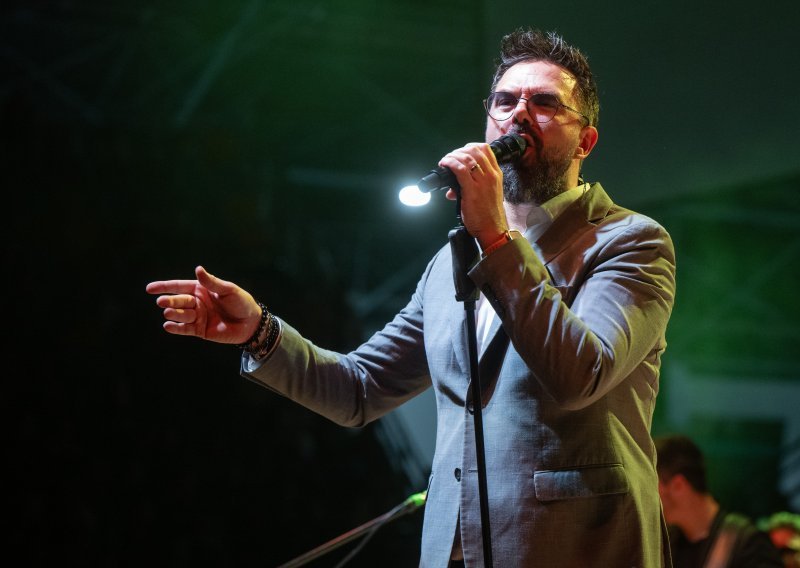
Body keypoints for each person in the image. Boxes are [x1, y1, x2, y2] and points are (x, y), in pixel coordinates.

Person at [147, 28, 677, 567]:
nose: (518, 114)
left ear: (585, 141)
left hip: (575, 548)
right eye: (504, 101)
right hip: (455, 550)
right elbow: (359, 389)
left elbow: (581, 375)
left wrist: (495, 238)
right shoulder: (453, 262)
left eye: (543, 103)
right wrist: (259, 330)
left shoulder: (630, 242)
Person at [654, 434, 784, 567]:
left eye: (651, 484)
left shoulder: (748, 545)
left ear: (678, 486)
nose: (648, 496)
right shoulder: (667, 543)